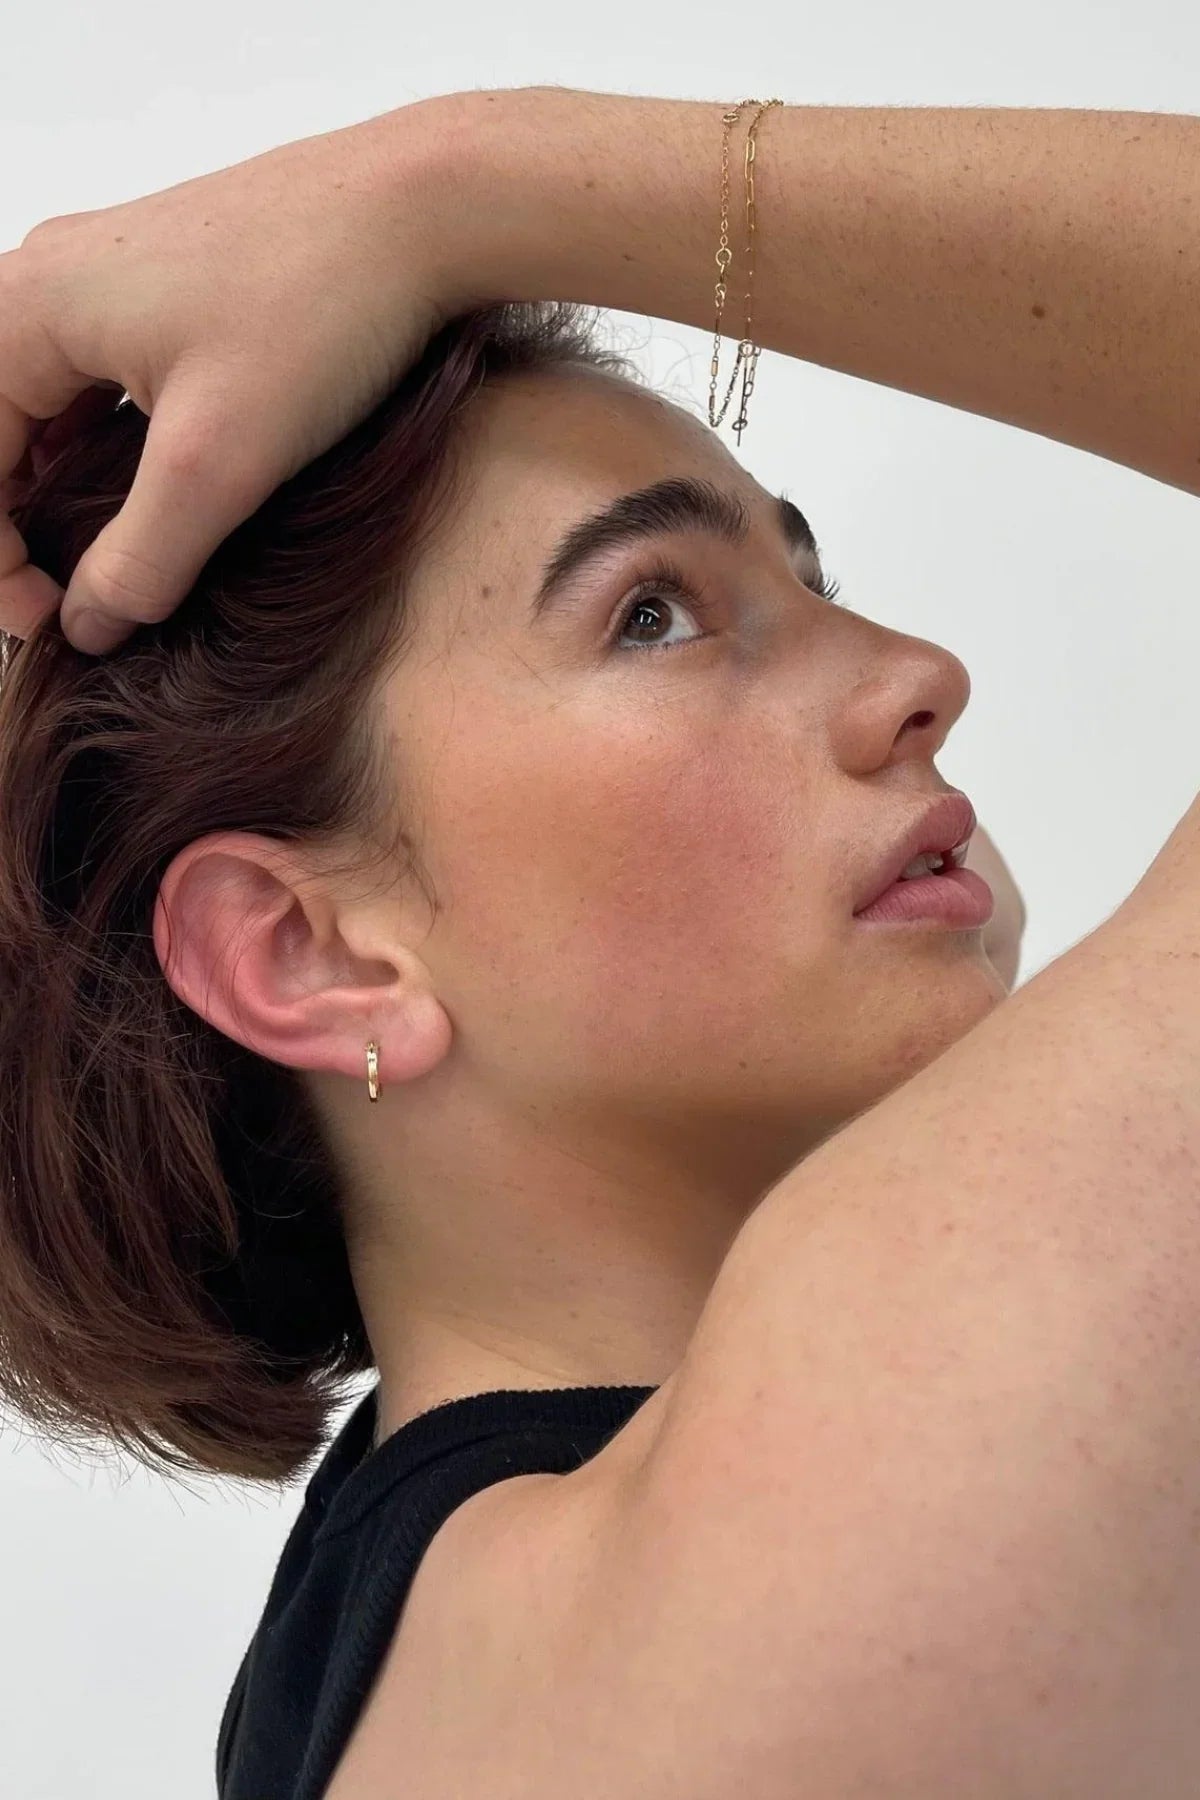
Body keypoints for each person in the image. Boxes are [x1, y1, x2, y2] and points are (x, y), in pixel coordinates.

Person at [0, 86, 1196, 1799]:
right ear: (306, 955)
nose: (915, 670)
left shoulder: (419, 1643)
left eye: (814, 574)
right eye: (653, 613)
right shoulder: (790, 1512)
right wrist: (449, 186)